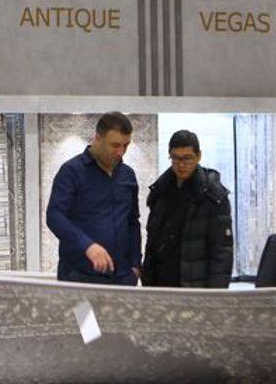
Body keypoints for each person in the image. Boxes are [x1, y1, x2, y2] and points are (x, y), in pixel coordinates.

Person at [46, 112, 141, 286]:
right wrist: (87, 245)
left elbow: (132, 222)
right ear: (97, 138)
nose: (121, 152)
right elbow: (54, 216)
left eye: (126, 145)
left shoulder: (128, 175)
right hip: (80, 276)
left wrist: (135, 264)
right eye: (115, 145)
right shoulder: (71, 172)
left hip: (123, 277)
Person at [140, 130, 232, 289]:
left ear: (198, 156)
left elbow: (221, 252)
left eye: (187, 158)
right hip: (160, 283)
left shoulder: (213, 196)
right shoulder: (161, 191)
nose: (181, 165)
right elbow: (152, 242)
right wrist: (146, 278)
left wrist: (216, 295)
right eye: (175, 158)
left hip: (195, 286)